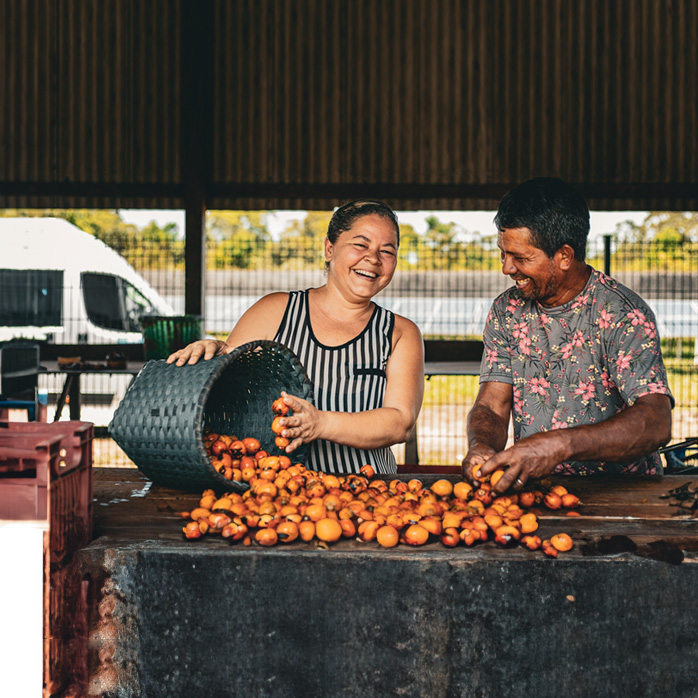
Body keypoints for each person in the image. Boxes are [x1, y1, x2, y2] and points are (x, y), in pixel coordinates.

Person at [167, 199, 424, 475]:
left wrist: (320, 423)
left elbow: (400, 422)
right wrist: (213, 352)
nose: (373, 259)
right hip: (273, 494)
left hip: (370, 497)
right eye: (361, 245)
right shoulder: (275, 311)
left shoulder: (399, 333)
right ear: (329, 248)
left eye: (387, 251)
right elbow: (227, 388)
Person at [462, 177, 673, 492]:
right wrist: (481, 445)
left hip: (622, 495)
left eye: (520, 257)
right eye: (503, 253)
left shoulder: (623, 314)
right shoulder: (506, 311)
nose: (506, 268)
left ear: (563, 256)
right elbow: (492, 405)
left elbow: (656, 422)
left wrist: (560, 444)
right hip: (539, 492)